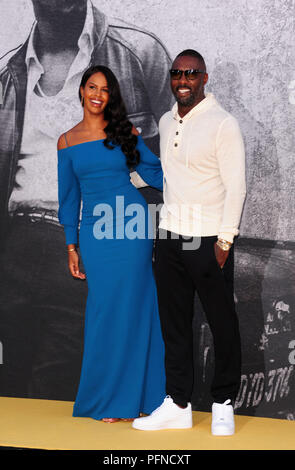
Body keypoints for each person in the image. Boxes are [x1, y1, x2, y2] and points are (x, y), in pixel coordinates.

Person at [0, 0, 172, 399]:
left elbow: (182, 159)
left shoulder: (139, 52)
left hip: (97, 245)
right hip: (17, 249)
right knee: (10, 394)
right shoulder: (9, 73)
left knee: (60, 392)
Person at [132, 50, 246, 435]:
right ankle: (178, 404)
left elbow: (237, 187)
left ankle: (223, 402)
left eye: (191, 74)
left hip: (209, 239)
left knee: (222, 324)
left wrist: (225, 241)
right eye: (177, 73)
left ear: (205, 78)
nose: (183, 80)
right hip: (168, 237)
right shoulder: (166, 121)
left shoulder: (222, 124)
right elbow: (169, 176)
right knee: (174, 326)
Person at [57, 64, 165, 422]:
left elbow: (153, 171)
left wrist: (195, 178)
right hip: (95, 235)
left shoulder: (124, 132)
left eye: (104, 89)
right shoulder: (67, 141)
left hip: (132, 226)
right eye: (92, 87)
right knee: (105, 312)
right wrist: (71, 246)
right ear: (82, 90)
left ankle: (135, 399)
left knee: (135, 308)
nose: (97, 95)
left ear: (111, 96)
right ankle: (109, 396)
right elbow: (69, 199)